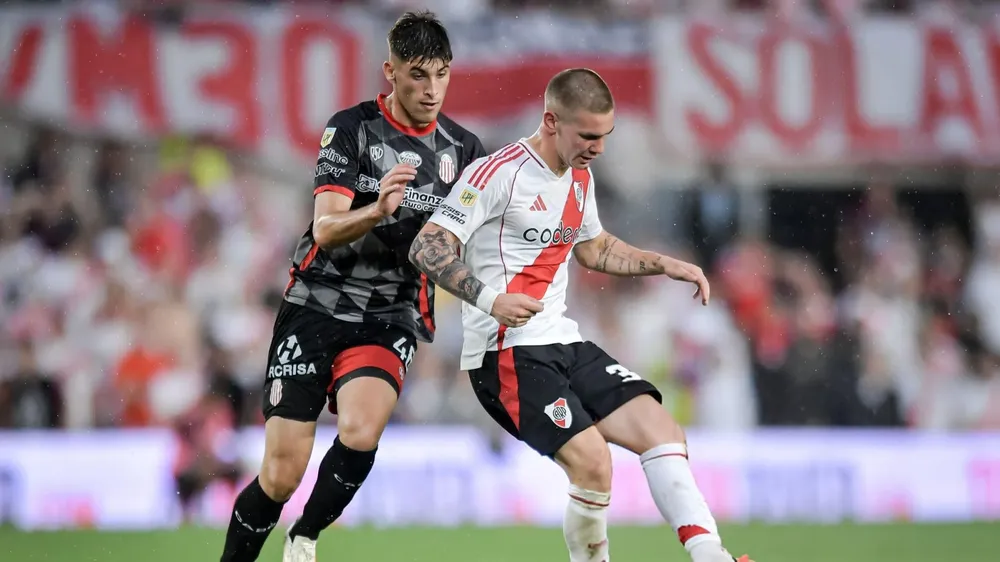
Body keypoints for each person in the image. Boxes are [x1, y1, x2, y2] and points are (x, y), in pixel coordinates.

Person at [409, 68, 753, 562]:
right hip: (506, 353)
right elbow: (428, 245)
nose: (599, 147)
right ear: (551, 121)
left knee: (662, 430)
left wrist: (662, 264)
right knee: (594, 464)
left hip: (563, 342)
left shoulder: (579, 178)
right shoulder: (496, 174)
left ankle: (712, 555)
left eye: (605, 136)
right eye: (588, 135)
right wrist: (490, 300)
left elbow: (593, 248)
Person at [219, 11, 485, 562]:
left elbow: (469, 237)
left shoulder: (465, 150)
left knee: (362, 429)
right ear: (390, 71)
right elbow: (326, 226)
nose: (431, 88)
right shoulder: (352, 128)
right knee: (281, 473)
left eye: (441, 74)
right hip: (316, 301)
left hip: (391, 311)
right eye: (418, 74)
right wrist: (378, 209)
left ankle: (305, 536)